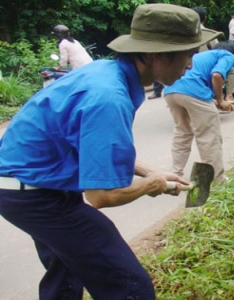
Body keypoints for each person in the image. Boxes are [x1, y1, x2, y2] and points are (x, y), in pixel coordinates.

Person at [0, 4, 220, 299]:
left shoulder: (110, 72)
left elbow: (97, 151)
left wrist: (149, 171)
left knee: (67, 271)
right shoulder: (108, 97)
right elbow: (101, 196)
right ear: (158, 55)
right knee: (128, 285)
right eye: (189, 55)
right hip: (35, 195)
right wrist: (150, 185)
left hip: (29, 183)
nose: (192, 65)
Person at [164, 41, 234, 184]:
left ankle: (174, 173)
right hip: (193, 91)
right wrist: (221, 100)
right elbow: (216, 76)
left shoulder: (201, 57)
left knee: (182, 133)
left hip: (171, 91)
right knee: (209, 137)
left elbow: (203, 100)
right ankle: (217, 179)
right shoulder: (227, 55)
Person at [192, 6, 234, 102]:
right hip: (206, 65)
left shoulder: (185, 33)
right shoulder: (208, 33)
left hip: (188, 66)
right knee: (232, 69)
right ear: (205, 19)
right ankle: (229, 95)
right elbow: (218, 49)